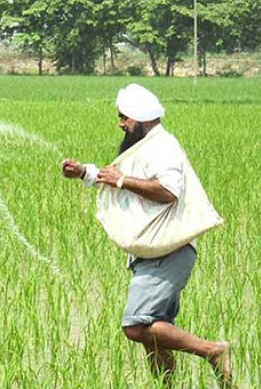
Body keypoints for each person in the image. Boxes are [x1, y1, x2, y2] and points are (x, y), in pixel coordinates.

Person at [61, 83, 234, 388]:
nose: (121, 123)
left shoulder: (163, 146)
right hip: (153, 253)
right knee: (154, 335)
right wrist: (84, 172)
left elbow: (168, 191)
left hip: (169, 251)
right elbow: (117, 174)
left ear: (140, 118)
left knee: (135, 325)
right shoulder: (143, 145)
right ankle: (165, 386)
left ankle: (213, 351)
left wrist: (123, 181)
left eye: (124, 117)